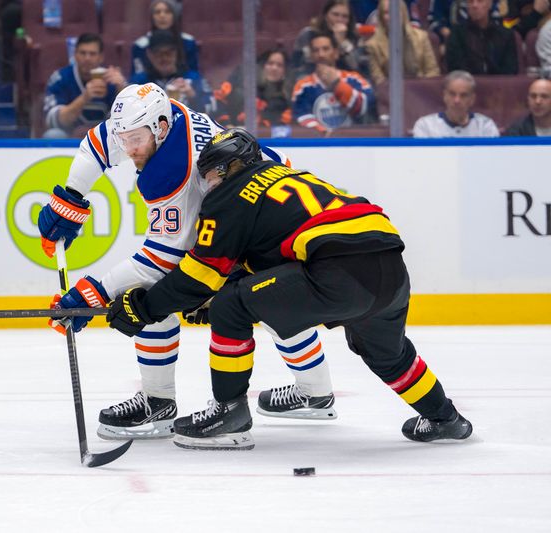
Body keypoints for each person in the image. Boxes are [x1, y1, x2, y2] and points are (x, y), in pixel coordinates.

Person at [105, 128, 474, 450]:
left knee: (230, 308)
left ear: (233, 166)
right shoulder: (289, 177)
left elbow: (201, 274)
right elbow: (274, 261)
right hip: (389, 267)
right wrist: (221, 288)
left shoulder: (230, 194)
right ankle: (446, 419)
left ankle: (229, 414)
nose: (210, 183)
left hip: (336, 271)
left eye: (214, 173)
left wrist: (146, 307)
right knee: (388, 354)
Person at [38, 83, 339, 441]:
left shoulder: (174, 170)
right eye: (124, 138)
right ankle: (315, 391)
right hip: (260, 208)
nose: (127, 149)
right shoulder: (160, 115)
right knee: (260, 301)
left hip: (269, 224)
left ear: (160, 128)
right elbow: (98, 144)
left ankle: (160, 401)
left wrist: (93, 292)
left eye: (135, 139)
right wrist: (72, 195)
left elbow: (163, 260)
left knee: (156, 297)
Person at [43, 33, 126, 138]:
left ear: (101, 57)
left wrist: (122, 89)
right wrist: (84, 98)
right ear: (75, 55)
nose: (87, 58)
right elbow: (54, 122)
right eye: (83, 53)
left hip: (105, 139)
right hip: (70, 137)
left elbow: (126, 121)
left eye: (92, 54)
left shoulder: (112, 79)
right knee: (53, 135)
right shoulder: (60, 78)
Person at [292, 32, 375, 132]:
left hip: (352, 142)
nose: (321, 54)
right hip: (319, 144)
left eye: (325, 49)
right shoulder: (303, 86)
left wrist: (337, 84)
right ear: (311, 56)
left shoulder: (354, 79)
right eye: (316, 50)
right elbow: (301, 115)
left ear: (336, 53)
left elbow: (363, 108)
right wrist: (323, 134)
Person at [129, 29, 213, 113]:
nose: (164, 58)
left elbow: (212, 111)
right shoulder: (138, 83)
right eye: (158, 54)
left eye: (168, 53)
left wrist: (192, 96)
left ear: (176, 52)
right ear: (149, 54)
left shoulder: (194, 79)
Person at [213, 47, 293, 134]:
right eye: (270, 63)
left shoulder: (285, 100)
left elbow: (279, 127)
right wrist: (226, 124)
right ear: (262, 66)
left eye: (279, 65)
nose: (274, 68)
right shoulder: (238, 83)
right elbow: (217, 100)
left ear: (285, 71)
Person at [365, 0, 440, 85]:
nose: (393, 16)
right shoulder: (372, 45)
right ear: (381, 17)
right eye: (387, 12)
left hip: (421, 92)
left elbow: (433, 72)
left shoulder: (422, 37)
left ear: (404, 13)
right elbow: (378, 81)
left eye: (396, 10)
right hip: (389, 94)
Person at [291, 0, 369, 79]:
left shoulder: (355, 37)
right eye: (335, 15)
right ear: (325, 15)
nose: (339, 20)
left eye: (345, 16)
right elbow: (296, 65)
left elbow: (358, 68)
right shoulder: (309, 34)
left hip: (345, 81)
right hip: (312, 80)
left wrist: (342, 42)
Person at [412, 70, 499, 137]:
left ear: (472, 99)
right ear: (444, 95)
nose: (457, 100)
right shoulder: (426, 126)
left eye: (463, 95)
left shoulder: (485, 126)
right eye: (452, 94)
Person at [445, 0, 519, 75]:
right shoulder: (457, 34)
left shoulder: (505, 35)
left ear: (490, 4)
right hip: (467, 83)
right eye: (471, 2)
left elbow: (510, 70)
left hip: (499, 84)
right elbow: (455, 70)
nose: (475, 5)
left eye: (480, 1)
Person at [131, 0, 198, 79]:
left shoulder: (188, 42)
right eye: (157, 12)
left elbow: (194, 74)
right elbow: (137, 76)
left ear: (175, 15)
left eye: (167, 12)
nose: (162, 16)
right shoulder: (140, 45)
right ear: (152, 16)